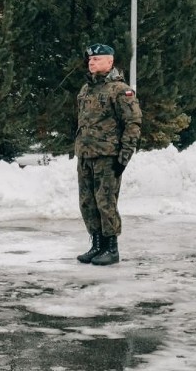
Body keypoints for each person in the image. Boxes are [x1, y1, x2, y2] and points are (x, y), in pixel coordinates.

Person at [74, 43, 142, 266]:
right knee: (87, 202)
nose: (91, 62)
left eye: (97, 59)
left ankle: (111, 249)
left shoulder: (121, 90)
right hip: (86, 154)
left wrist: (124, 156)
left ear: (110, 62)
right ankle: (97, 245)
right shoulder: (86, 89)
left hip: (107, 155)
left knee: (105, 202)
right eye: (90, 60)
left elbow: (132, 123)